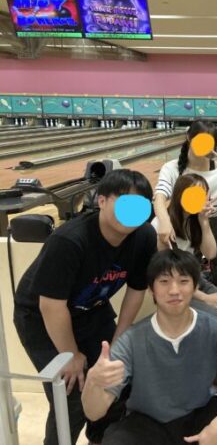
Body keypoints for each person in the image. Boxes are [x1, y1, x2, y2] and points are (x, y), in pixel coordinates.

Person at [13, 169, 157, 445]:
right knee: (72, 394)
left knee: (115, 382)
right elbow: (51, 306)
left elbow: (137, 289)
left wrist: (119, 341)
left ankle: (101, 440)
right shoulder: (70, 240)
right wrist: (70, 355)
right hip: (40, 316)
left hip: (91, 309)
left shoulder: (143, 237)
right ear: (101, 200)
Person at [81, 249, 217, 445]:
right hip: (148, 421)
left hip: (198, 413)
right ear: (151, 289)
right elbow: (94, 413)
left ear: (195, 287)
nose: (174, 290)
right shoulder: (131, 340)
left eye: (183, 281)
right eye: (164, 281)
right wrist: (93, 382)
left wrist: (216, 427)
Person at [154, 120, 217, 291]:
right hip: (184, 224)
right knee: (184, 271)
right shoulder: (172, 168)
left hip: (214, 221)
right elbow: (159, 198)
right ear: (188, 137)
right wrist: (164, 222)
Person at [151, 173, 217, 344]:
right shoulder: (162, 226)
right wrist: (206, 298)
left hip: (197, 282)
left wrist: (204, 221)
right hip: (176, 291)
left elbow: (211, 254)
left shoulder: (195, 219)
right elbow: (168, 278)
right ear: (180, 195)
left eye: (203, 194)